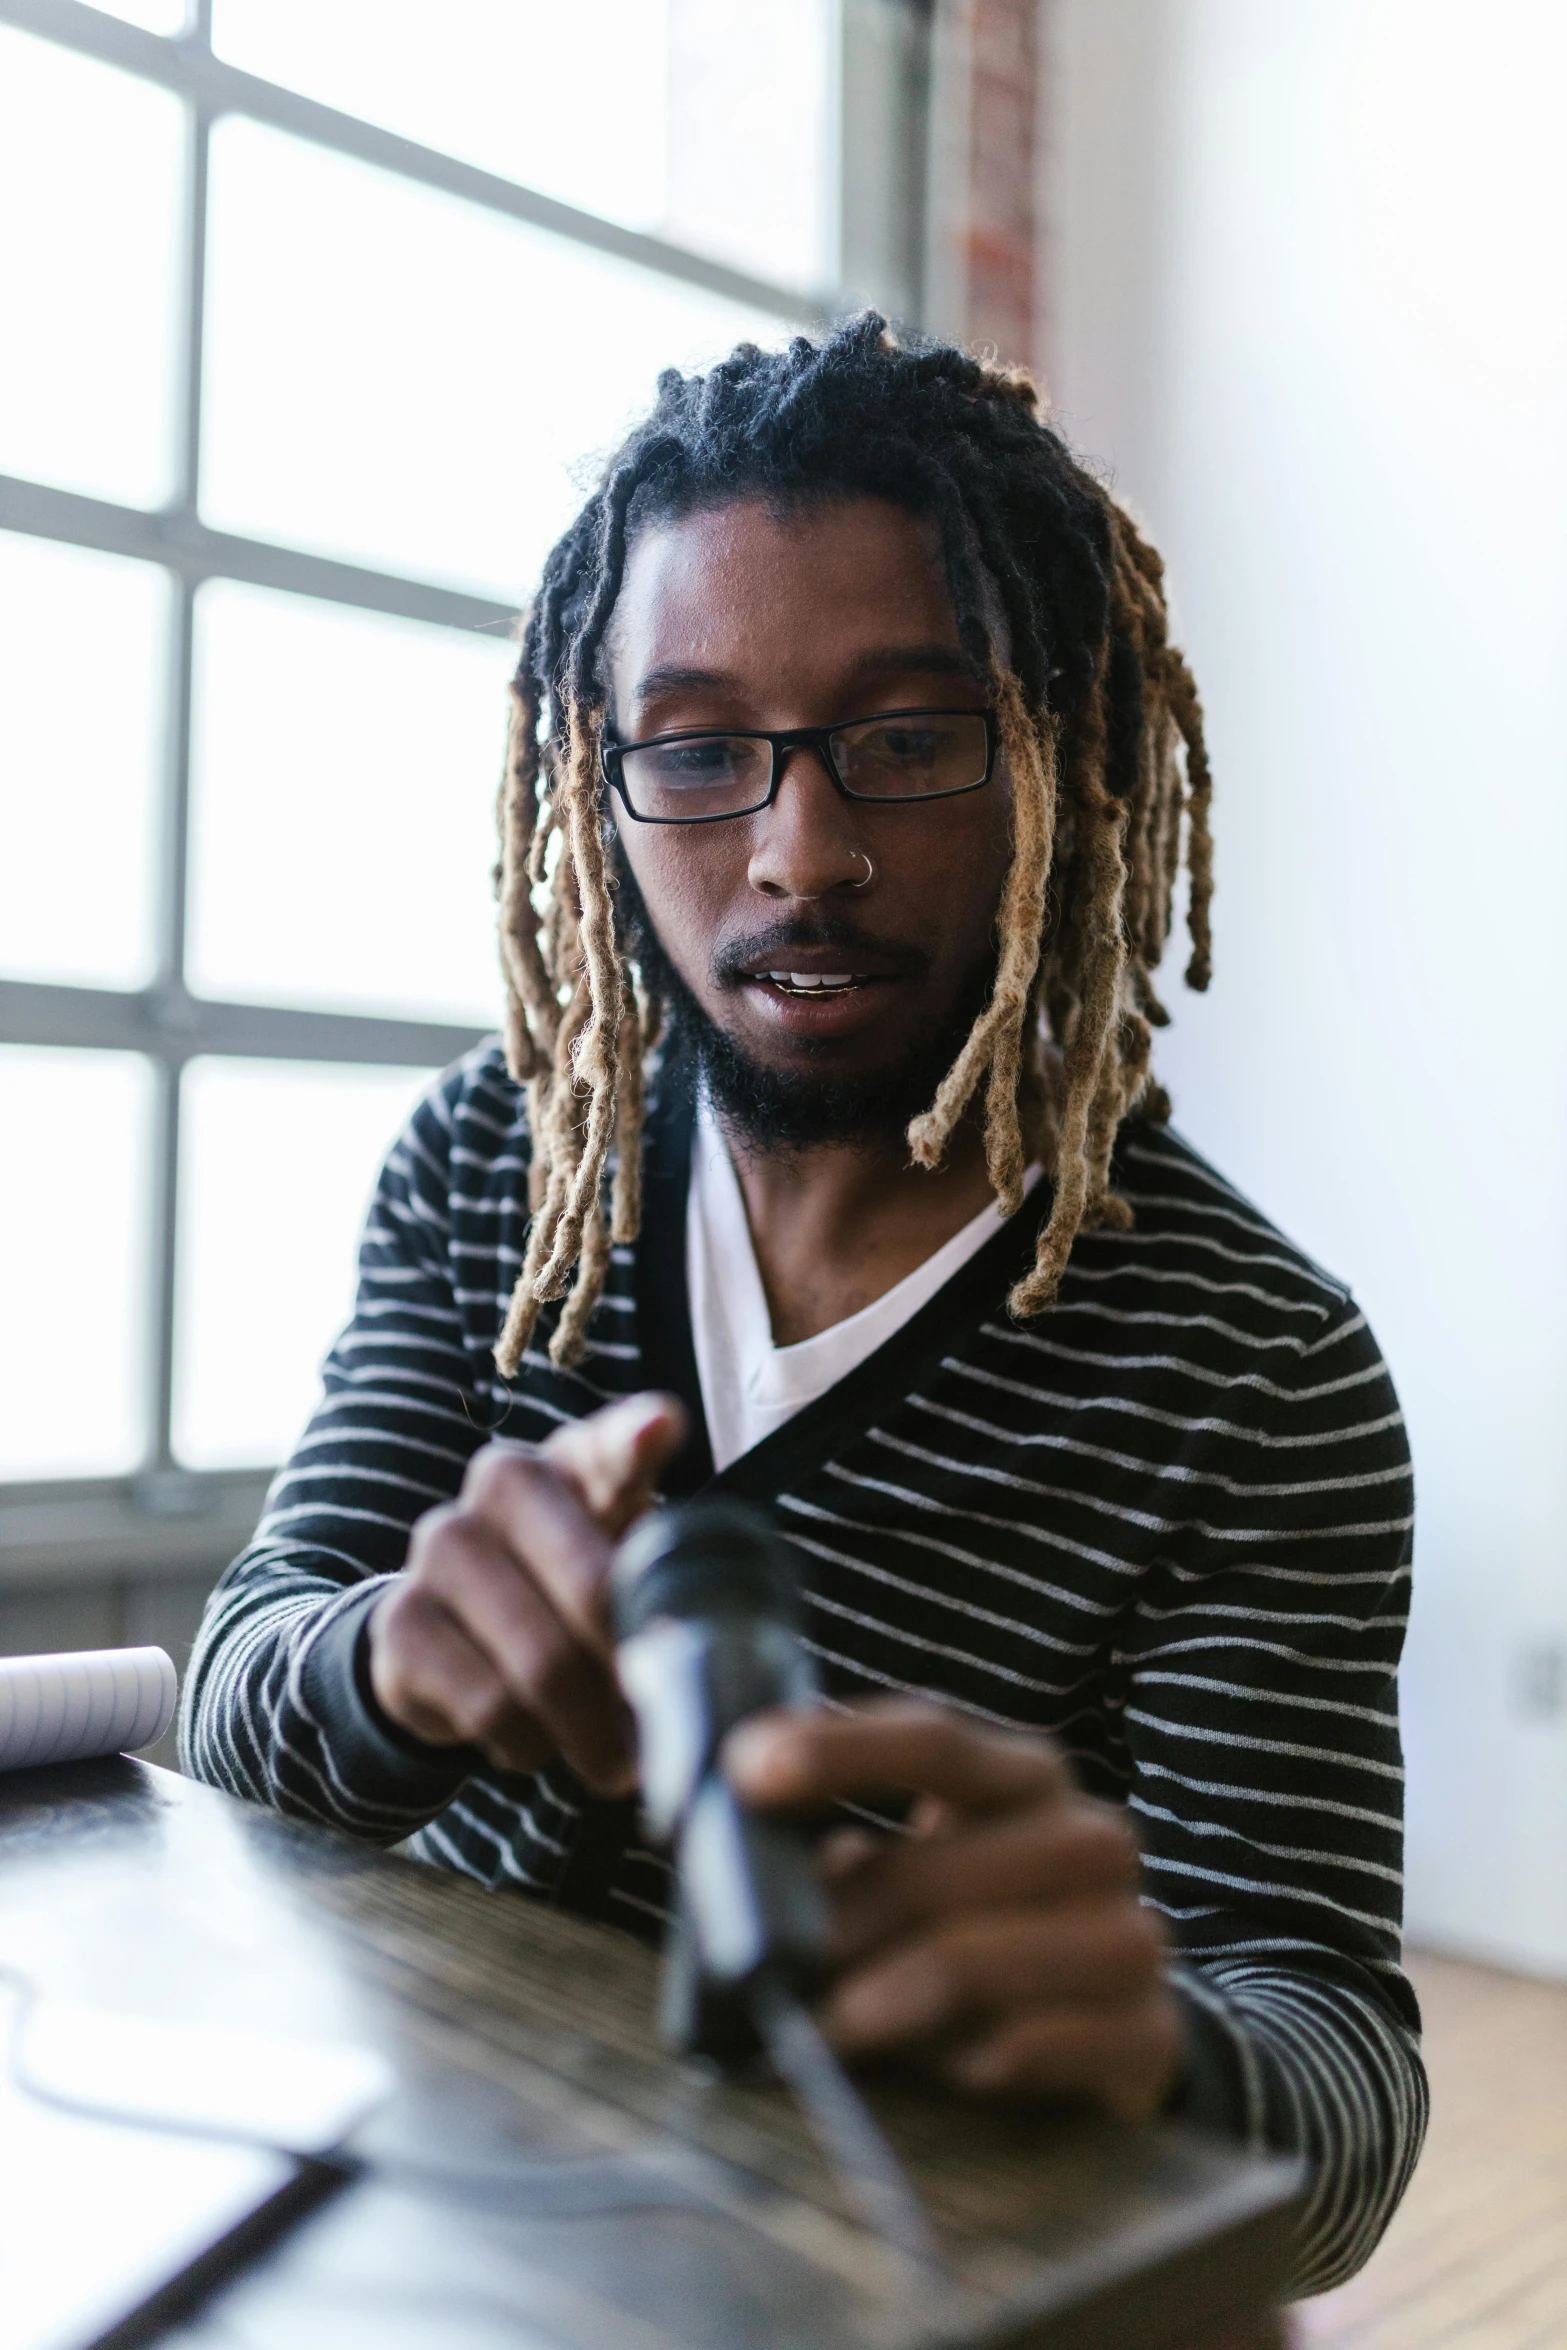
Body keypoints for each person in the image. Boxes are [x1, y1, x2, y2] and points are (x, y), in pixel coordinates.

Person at [181, 317, 1424, 2294]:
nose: (803, 850)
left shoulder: (1253, 1369)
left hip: (873, 2276)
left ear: (1064, 752)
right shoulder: (498, 1170)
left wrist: (1158, 2043)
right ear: (605, 782)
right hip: (417, 2229)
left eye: (908, 736)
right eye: (697, 750)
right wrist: (390, 1661)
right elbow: (238, 1685)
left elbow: (1338, 2081)